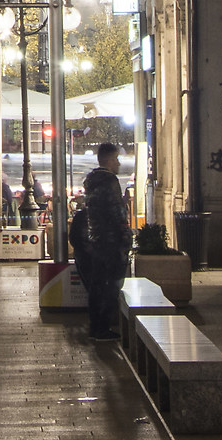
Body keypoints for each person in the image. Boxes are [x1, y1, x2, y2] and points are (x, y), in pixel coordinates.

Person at [72, 142, 130, 342]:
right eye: (116, 159)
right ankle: (104, 328)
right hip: (111, 242)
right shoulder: (110, 181)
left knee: (97, 286)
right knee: (112, 286)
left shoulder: (91, 181)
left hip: (96, 241)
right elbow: (117, 212)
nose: (119, 163)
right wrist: (126, 237)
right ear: (108, 160)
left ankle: (95, 327)